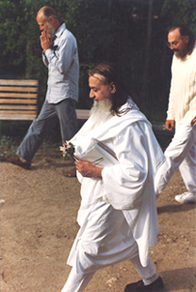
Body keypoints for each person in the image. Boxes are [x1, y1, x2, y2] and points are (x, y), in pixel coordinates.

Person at [60, 63, 165, 292]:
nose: (91, 95)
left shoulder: (129, 124)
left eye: (96, 89)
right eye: (90, 89)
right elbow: (89, 136)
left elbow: (136, 173)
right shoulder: (107, 109)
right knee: (126, 236)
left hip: (111, 195)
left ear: (113, 87)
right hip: (105, 191)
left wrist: (96, 171)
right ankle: (152, 281)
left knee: (88, 249)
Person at [6, 6, 79, 170]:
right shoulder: (56, 38)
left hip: (65, 94)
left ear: (51, 20)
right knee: (38, 126)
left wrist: (47, 50)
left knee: (70, 134)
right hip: (53, 93)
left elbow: (62, 68)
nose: (40, 28)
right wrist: (46, 50)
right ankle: (24, 158)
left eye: (42, 24)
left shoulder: (67, 38)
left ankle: (80, 168)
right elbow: (49, 64)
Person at [155, 24, 196, 204]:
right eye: (170, 44)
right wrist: (170, 113)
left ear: (186, 39)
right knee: (188, 156)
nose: (172, 47)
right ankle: (194, 190)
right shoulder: (176, 57)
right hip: (179, 114)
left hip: (192, 117)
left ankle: (148, 197)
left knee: (171, 155)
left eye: (175, 43)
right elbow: (175, 85)